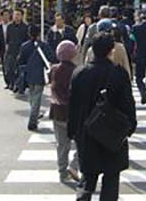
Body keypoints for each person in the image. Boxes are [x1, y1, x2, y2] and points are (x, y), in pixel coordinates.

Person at [68, 32, 137, 201]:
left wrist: (72, 132)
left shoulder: (80, 73)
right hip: (112, 132)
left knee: (87, 178)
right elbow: (128, 103)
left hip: (87, 131)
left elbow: (73, 106)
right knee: (111, 179)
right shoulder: (118, 73)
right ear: (111, 50)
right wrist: (130, 127)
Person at [49, 40, 80, 184]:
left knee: (62, 144)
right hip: (73, 112)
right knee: (82, 144)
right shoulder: (77, 71)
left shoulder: (54, 69)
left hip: (57, 111)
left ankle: (62, 172)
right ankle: (74, 166)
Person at [17, 24, 53, 131]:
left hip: (28, 75)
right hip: (40, 74)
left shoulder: (24, 46)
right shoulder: (44, 46)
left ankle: (34, 115)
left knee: (32, 97)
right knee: (36, 98)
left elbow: (20, 60)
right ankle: (32, 120)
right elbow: (51, 57)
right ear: (39, 34)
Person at [4, 9, 29, 91]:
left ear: (22, 16)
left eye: (18, 15)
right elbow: (7, 40)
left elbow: (27, 40)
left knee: (19, 70)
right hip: (11, 50)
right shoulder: (10, 26)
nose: (16, 16)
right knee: (9, 69)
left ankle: (18, 85)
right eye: (15, 15)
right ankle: (12, 83)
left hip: (21, 51)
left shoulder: (25, 27)